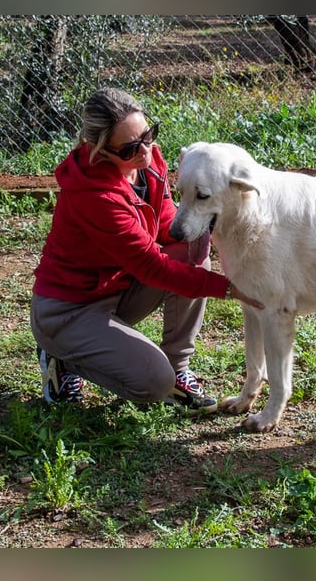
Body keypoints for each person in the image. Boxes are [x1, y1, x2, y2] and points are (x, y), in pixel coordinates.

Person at [30, 87, 262, 414]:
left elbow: (165, 217)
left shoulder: (148, 161)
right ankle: (62, 360)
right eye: (129, 149)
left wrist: (196, 230)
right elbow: (152, 268)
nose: (145, 152)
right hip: (69, 311)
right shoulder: (96, 196)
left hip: (118, 288)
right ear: (98, 148)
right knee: (153, 382)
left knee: (196, 257)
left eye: (148, 135)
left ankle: (178, 369)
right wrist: (228, 288)